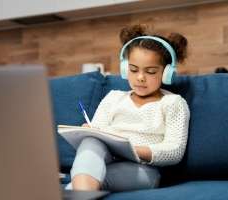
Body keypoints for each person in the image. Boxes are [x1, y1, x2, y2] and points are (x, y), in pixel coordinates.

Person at [66, 24, 190, 192]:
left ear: (166, 73)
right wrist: (91, 131)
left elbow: (174, 151)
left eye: (151, 72)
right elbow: (98, 134)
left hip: (144, 170)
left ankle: (77, 190)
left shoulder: (173, 103)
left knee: (80, 182)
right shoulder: (113, 98)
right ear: (125, 68)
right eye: (133, 69)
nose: (140, 77)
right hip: (106, 160)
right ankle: (81, 191)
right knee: (90, 142)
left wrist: (134, 150)